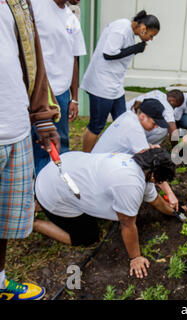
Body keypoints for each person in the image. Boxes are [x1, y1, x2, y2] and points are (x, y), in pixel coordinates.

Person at [33, 148, 177, 278]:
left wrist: (173, 212)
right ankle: (33, 222)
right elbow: (127, 224)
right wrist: (135, 257)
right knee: (88, 237)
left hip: (59, 170)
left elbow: (155, 199)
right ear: (153, 176)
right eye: (161, 180)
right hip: (55, 191)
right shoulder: (130, 184)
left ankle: (38, 203)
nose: (160, 183)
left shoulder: (134, 163)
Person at [0, 0, 60, 300]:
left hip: (16, 129)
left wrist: (42, 115)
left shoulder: (17, 2)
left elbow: (31, 57)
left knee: (3, 220)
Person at [80, 10, 160, 152]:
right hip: (101, 85)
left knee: (123, 121)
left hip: (115, 86)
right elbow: (108, 54)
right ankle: (85, 157)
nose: (151, 39)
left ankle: (118, 153)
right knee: (96, 125)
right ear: (143, 29)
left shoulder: (129, 32)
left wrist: (134, 48)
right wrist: (135, 49)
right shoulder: (121, 28)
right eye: (151, 35)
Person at [92, 98, 180, 212]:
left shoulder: (129, 116)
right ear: (143, 116)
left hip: (99, 162)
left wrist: (148, 147)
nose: (156, 127)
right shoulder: (134, 129)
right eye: (154, 123)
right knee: (141, 180)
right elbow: (151, 166)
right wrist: (170, 194)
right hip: (100, 176)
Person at [30, 0, 86, 175]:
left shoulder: (71, 18)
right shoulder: (36, 5)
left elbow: (74, 60)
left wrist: (74, 97)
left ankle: (55, 188)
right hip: (35, 91)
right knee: (36, 144)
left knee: (59, 144)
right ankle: (37, 186)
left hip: (60, 95)